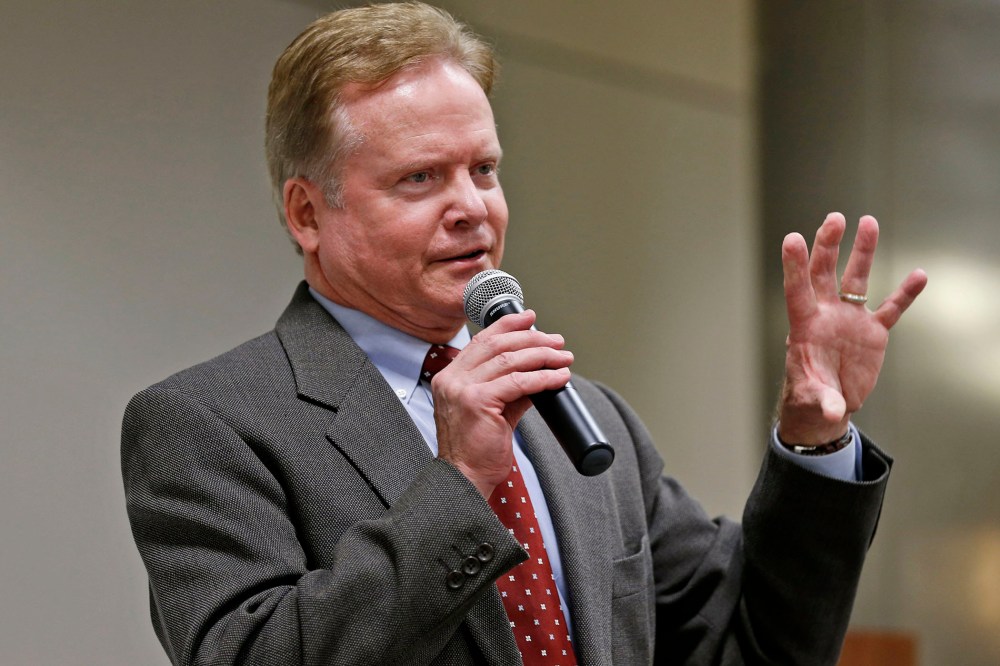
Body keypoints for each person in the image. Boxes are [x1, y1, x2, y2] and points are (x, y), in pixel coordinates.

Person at [121, 3, 927, 665]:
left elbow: (752, 646)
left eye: (484, 169)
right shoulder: (210, 423)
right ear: (308, 213)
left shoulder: (588, 418)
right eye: (419, 178)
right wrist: (462, 484)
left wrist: (814, 441)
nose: (472, 206)